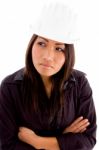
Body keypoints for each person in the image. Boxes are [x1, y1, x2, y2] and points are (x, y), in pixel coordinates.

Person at [0, 2, 97, 150]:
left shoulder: (79, 83)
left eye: (59, 48)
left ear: (68, 54)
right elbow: (7, 144)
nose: (48, 56)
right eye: (42, 44)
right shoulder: (10, 87)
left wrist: (37, 141)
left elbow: (88, 140)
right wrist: (63, 139)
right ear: (32, 44)